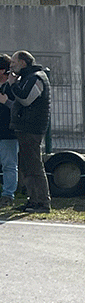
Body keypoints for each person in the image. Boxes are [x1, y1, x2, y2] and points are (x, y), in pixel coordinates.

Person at [6, 50, 51, 213]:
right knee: (27, 166)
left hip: (32, 128)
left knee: (34, 166)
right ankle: (33, 200)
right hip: (24, 127)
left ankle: (42, 202)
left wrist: (12, 83)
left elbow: (25, 99)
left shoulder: (36, 77)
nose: (10, 66)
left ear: (23, 63)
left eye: (13, 63)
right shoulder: (26, 77)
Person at [0, 55, 15, 207]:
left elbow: (19, 107)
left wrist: (5, 101)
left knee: (9, 165)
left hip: (8, 132)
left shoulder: (12, 87)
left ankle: (8, 195)